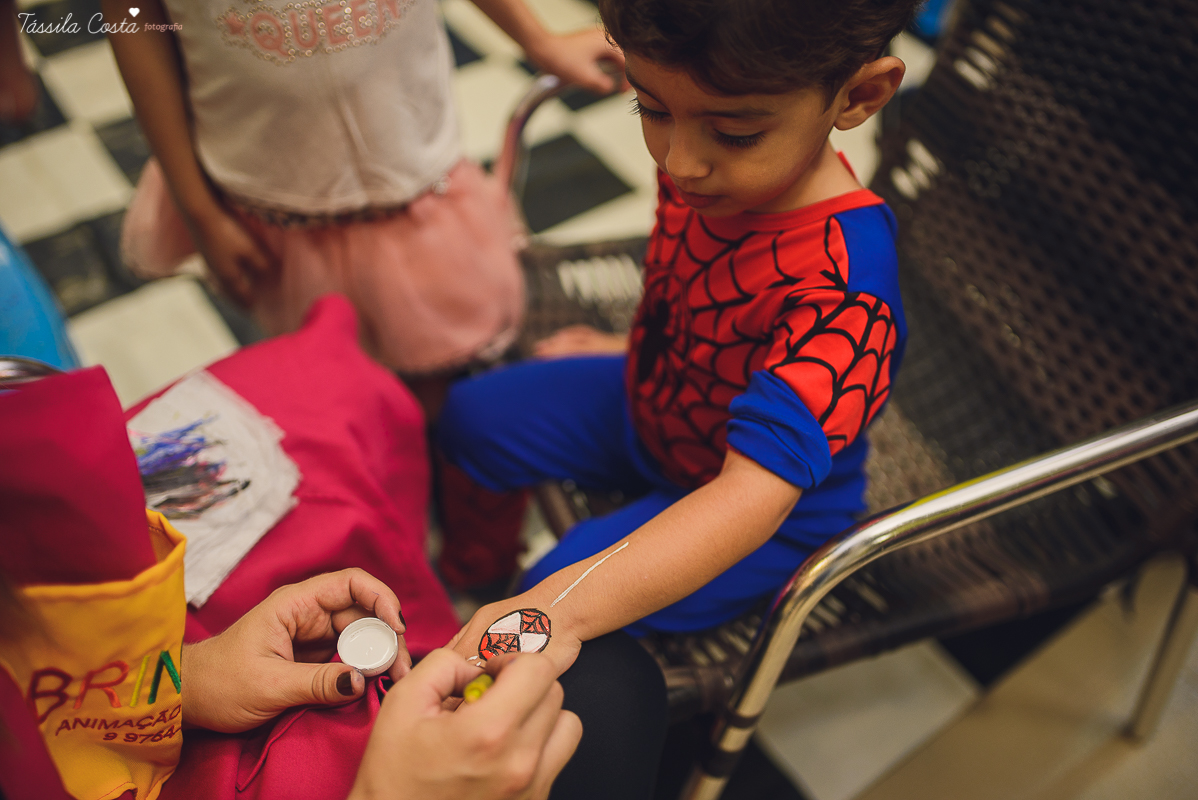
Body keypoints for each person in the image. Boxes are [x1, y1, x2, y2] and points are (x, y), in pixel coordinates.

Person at [437, 0, 918, 674]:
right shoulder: (712, 176)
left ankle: (506, 600)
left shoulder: (847, 289)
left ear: (860, 95)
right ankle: (466, 578)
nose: (682, 162)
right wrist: (627, 350)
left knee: (546, 594)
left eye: (735, 133)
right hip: (656, 397)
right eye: (651, 110)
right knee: (470, 417)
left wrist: (547, 607)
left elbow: (748, 496)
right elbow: (691, 285)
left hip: (764, 514)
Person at [101, 0, 624, 382]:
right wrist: (199, 210)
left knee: (450, 375)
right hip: (273, 207)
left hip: (420, 190)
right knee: (325, 379)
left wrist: (538, 39)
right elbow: (133, 19)